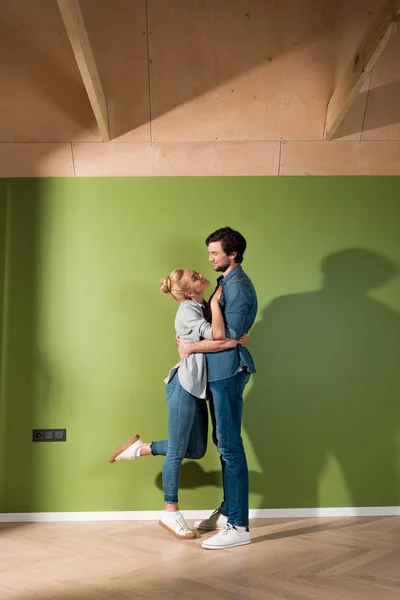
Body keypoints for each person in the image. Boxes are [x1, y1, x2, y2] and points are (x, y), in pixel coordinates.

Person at [108, 268, 245, 541]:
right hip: (183, 386)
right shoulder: (187, 311)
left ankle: (140, 449)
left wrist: (218, 320)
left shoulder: (200, 305)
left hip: (197, 388)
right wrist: (234, 338)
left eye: (196, 273)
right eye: (195, 278)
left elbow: (213, 339)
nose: (201, 275)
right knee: (178, 451)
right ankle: (170, 511)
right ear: (190, 292)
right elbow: (218, 337)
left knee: (196, 449)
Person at [177, 227, 258, 549]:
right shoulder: (226, 283)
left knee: (230, 446)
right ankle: (228, 511)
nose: (210, 258)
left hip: (227, 372)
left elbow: (227, 339)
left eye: (214, 253)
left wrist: (191, 348)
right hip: (218, 373)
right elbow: (231, 333)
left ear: (232, 254)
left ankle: (239, 526)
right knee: (222, 442)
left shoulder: (238, 286)